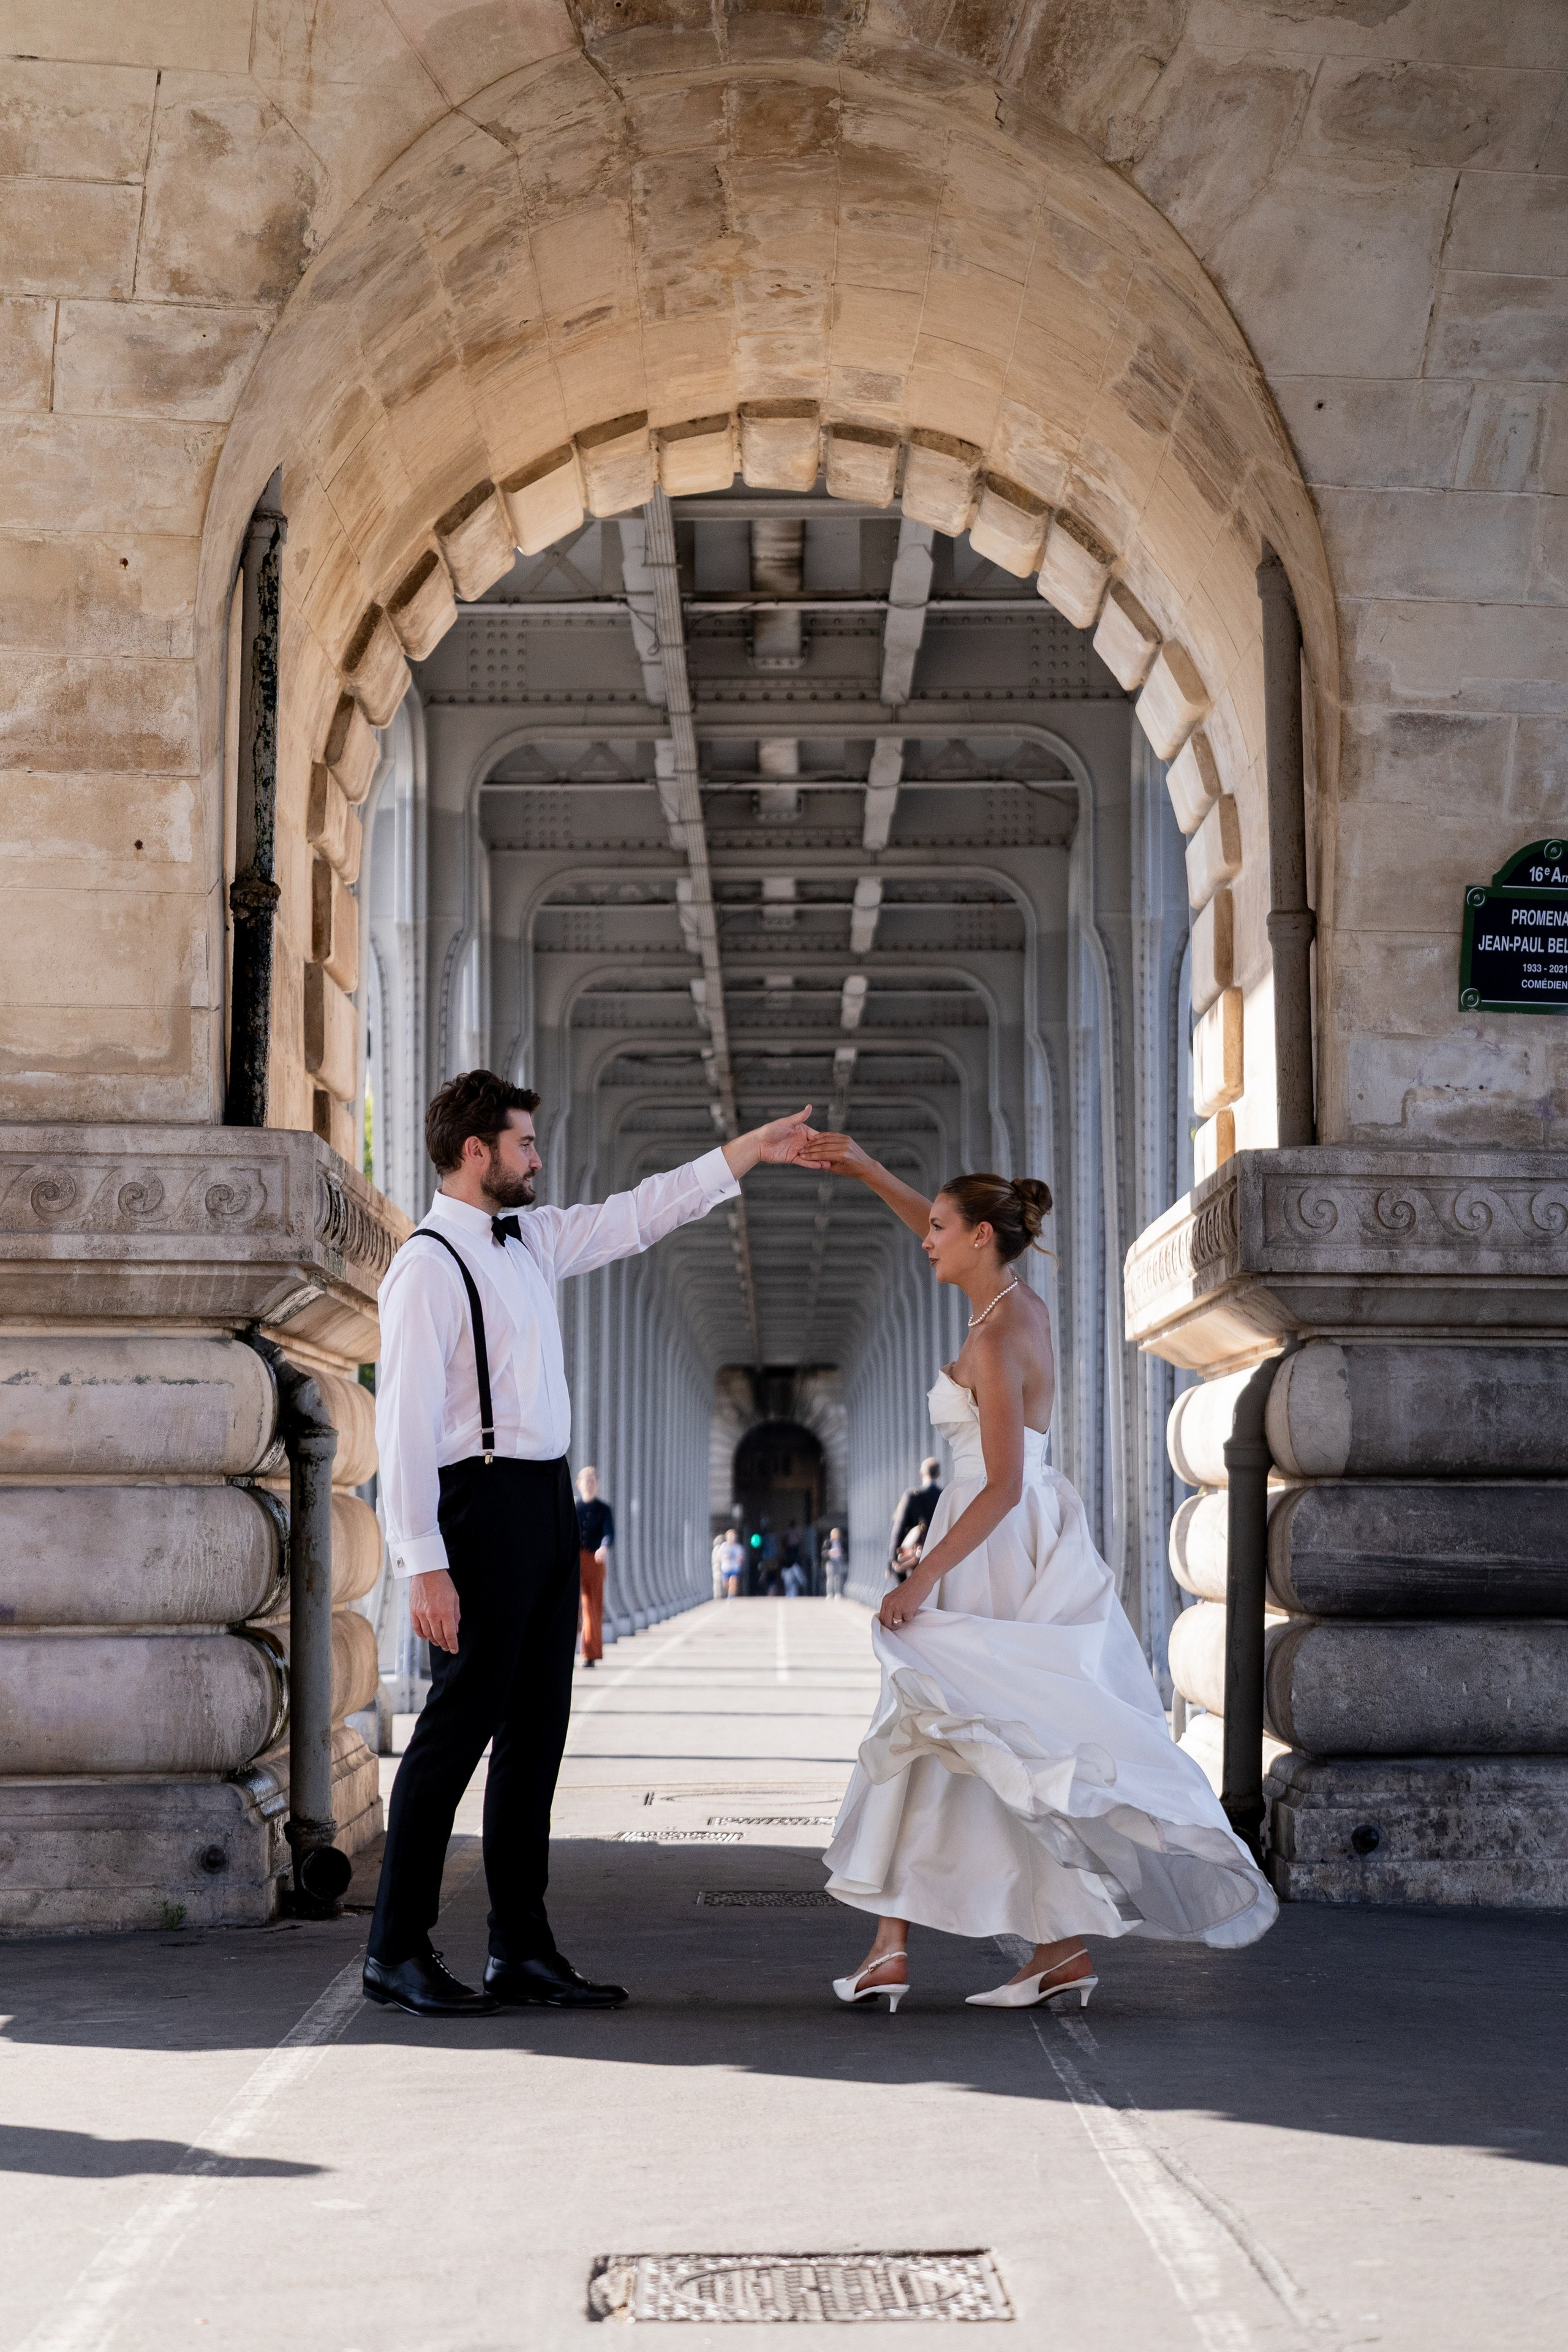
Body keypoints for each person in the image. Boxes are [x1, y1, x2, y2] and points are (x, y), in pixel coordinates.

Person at [364, 1069, 821, 2019]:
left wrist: (746, 1153)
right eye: (524, 1143)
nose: (539, 1157)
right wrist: (423, 1563)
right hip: (476, 1509)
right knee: (453, 1735)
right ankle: (394, 1951)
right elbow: (401, 1423)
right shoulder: (425, 1266)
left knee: (536, 1740)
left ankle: (520, 1951)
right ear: (477, 1151)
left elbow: (639, 1215)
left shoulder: (530, 1237)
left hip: (542, 1502)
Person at [800, 1134, 1277, 2013]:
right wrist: (871, 1171)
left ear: (982, 1236)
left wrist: (919, 1576)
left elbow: (1004, 1483)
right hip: (999, 1531)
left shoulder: (996, 1338)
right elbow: (937, 1225)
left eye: (941, 1228)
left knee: (955, 1729)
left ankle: (903, 1947)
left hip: (993, 1544)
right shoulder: (1007, 1305)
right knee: (975, 1743)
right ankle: (1017, 1949)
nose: (925, 1238)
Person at [575, 1466, 612, 1668]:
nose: (589, 1485)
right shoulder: (573, 1508)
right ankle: (566, 1652)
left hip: (594, 1561)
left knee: (593, 1608)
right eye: (586, 1481)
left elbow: (609, 1533)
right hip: (573, 1561)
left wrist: (604, 1547)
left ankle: (590, 1654)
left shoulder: (604, 1510)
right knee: (571, 1608)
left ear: (597, 1485)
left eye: (592, 1481)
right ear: (578, 1484)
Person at [888, 1457, 943, 1585]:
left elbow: (898, 1529)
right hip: (940, 1552)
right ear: (938, 1475)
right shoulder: (944, 1495)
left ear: (921, 1474)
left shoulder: (912, 1495)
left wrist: (892, 1559)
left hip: (917, 1554)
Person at [717, 1528, 746, 1599]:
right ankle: (731, 1592)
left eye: (733, 1536)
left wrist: (740, 1559)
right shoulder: (724, 1546)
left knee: (733, 1581)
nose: (732, 1538)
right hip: (726, 1568)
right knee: (726, 1584)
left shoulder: (738, 1547)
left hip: (735, 1567)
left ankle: (731, 1596)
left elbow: (742, 1557)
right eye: (730, 1536)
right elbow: (719, 1556)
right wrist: (724, 1557)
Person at [824, 1528, 848, 1599]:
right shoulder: (827, 1542)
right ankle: (830, 1594)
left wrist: (841, 1552)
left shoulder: (842, 1542)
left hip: (839, 1560)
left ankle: (838, 1593)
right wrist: (829, 1552)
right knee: (830, 1578)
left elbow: (846, 1551)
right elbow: (823, 1552)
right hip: (830, 1561)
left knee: (838, 1578)